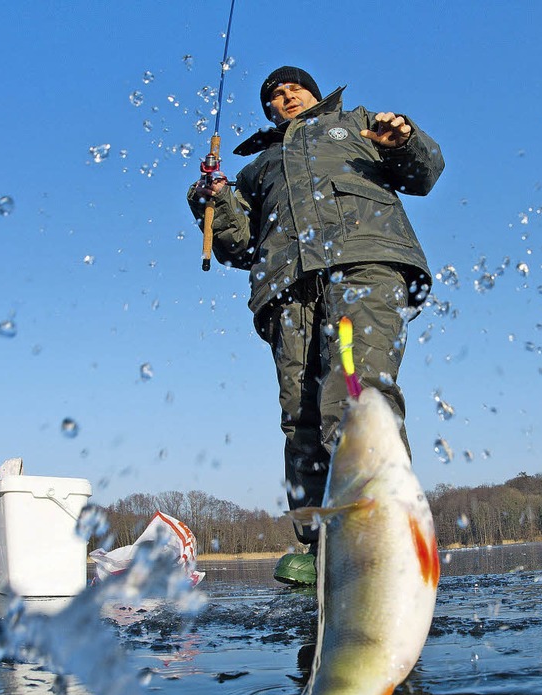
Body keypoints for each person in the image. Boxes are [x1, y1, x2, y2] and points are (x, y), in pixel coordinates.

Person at [188, 66, 444, 585]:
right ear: (269, 111)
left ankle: (384, 531)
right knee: (300, 416)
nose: (287, 98)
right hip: (286, 291)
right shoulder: (257, 169)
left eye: (294, 89)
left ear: (314, 93)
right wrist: (210, 203)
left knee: (356, 393)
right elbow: (239, 246)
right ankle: (319, 546)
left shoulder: (355, 125)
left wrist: (405, 140)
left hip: (363, 266)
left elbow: (425, 174)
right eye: (276, 97)